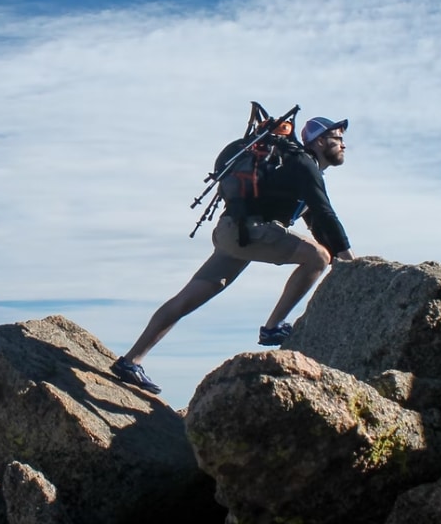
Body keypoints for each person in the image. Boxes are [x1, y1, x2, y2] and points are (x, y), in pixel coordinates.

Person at [111, 115, 355, 393]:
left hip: (233, 232)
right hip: (245, 232)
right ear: (320, 141)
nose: (344, 145)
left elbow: (318, 223)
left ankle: (131, 360)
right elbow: (325, 213)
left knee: (186, 299)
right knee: (318, 257)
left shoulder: (300, 167)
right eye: (338, 139)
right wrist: (349, 260)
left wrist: (347, 263)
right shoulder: (303, 164)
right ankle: (273, 327)